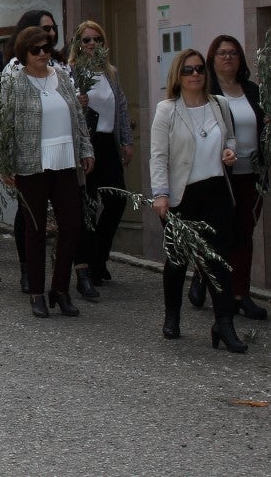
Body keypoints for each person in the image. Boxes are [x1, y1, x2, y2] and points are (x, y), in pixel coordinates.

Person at [150, 49, 245, 352]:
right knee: (177, 259)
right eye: (189, 70)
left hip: (216, 190)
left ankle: (224, 323)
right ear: (178, 75)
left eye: (200, 70)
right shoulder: (167, 110)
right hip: (183, 194)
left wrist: (230, 151)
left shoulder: (219, 105)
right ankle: (172, 314)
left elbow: (229, 138)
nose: (195, 75)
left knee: (219, 261)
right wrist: (161, 194)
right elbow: (158, 156)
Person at [0, 27, 94, 318]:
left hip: (66, 159)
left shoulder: (62, 77)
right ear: (24, 53)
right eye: (36, 49)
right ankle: (37, 292)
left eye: (46, 48)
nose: (43, 54)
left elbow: (78, 116)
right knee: (35, 229)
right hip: (31, 163)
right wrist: (5, 164)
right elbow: (6, 125)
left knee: (72, 225)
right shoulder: (14, 83)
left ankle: (61, 289)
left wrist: (87, 149)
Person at [200, 35, 266, 320]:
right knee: (219, 233)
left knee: (244, 233)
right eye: (222, 53)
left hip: (252, 174)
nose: (228, 57)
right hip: (219, 174)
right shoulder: (207, 93)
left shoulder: (253, 91)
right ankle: (207, 279)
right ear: (212, 59)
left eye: (234, 53)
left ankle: (241, 294)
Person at [69, 19, 133, 300]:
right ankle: (89, 264)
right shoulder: (70, 73)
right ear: (78, 45)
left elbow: (121, 107)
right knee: (88, 205)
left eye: (97, 40)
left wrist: (127, 141)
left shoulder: (110, 73)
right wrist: (77, 103)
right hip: (86, 143)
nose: (92, 44)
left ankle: (100, 255)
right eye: (86, 40)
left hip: (108, 142)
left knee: (118, 199)